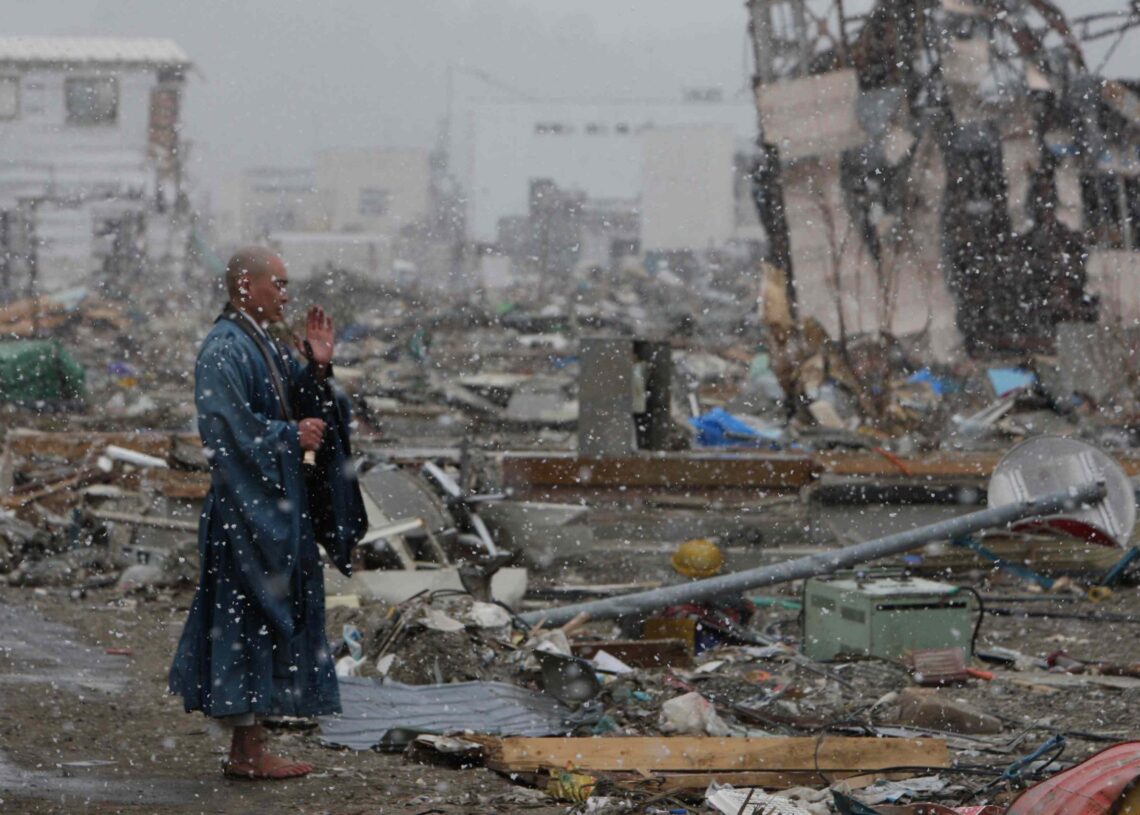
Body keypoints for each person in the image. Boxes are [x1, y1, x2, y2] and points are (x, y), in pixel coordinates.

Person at [169, 247, 366, 780]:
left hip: (272, 510)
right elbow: (226, 432)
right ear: (244, 286)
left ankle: (248, 749)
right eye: (277, 284)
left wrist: (318, 368)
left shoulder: (265, 346)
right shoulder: (223, 349)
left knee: (260, 624)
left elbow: (298, 401)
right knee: (243, 624)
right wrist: (287, 436)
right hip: (246, 513)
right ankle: (248, 752)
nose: (285, 294)